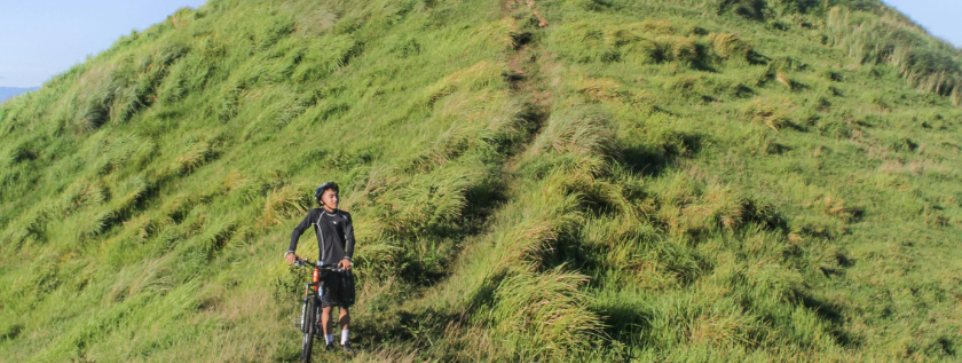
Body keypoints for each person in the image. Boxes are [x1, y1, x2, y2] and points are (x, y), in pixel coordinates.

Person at [286, 182, 356, 352]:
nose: (335, 199)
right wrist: (291, 251)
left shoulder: (345, 216)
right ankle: (329, 343)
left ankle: (344, 342)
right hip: (325, 267)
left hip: (342, 267)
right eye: (331, 196)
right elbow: (298, 230)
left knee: (344, 307)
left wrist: (347, 258)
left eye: (336, 195)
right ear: (321, 200)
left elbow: (351, 239)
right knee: (327, 307)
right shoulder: (316, 215)